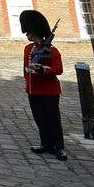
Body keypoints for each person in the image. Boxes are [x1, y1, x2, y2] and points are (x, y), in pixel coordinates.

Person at [21, 9, 67, 161]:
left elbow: (58, 69)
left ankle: (59, 147)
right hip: (33, 90)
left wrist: (42, 69)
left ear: (36, 32)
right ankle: (45, 143)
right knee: (39, 118)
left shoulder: (52, 50)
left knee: (53, 119)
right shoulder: (28, 49)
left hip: (48, 90)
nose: (27, 35)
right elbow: (25, 69)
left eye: (29, 33)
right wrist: (28, 83)